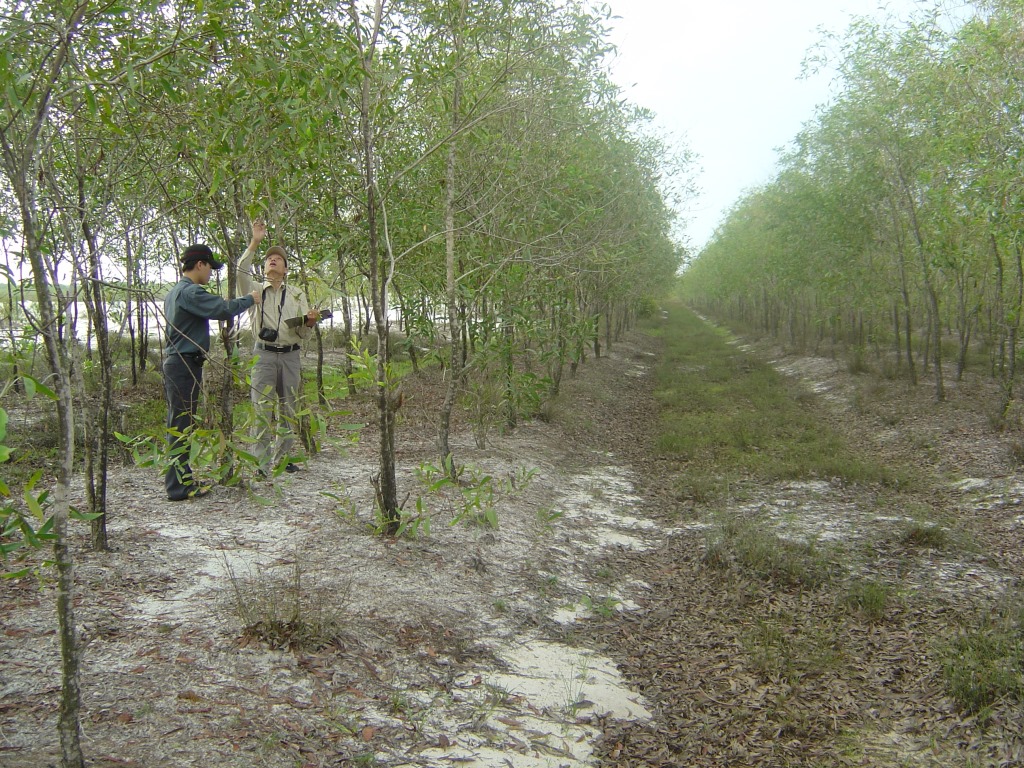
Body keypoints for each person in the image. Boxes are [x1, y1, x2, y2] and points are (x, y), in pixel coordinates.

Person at [163, 244, 262, 501]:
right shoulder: (190, 292)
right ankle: (178, 487)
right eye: (210, 268)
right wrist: (251, 298)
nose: (210, 274)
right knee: (181, 425)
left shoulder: (175, 292)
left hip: (181, 363)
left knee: (180, 424)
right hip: (183, 364)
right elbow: (222, 309)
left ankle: (182, 480)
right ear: (199, 265)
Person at [238, 220, 322, 475]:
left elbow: (302, 333)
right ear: (264, 267)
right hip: (263, 355)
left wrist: (309, 323)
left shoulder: (296, 294)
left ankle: (283, 459)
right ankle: (261, 464)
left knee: (289, 408)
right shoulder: (254, 290)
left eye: (278, 258)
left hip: (290, 356)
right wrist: (255, 241)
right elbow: (241, 270)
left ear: (286, 269)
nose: (273, 260)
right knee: (261, 409)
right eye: (269, 258)